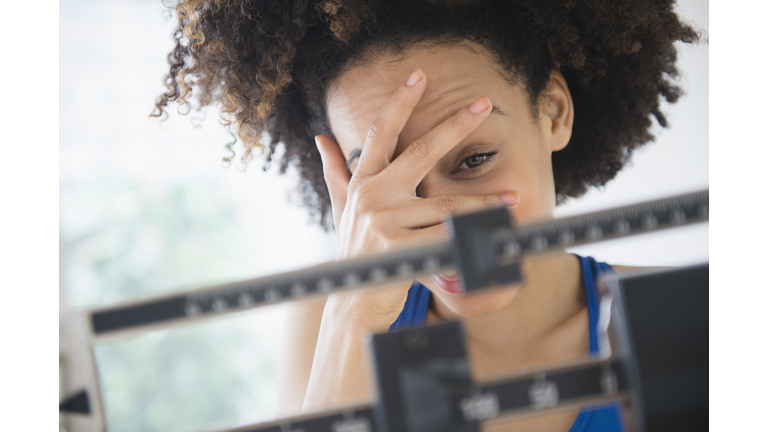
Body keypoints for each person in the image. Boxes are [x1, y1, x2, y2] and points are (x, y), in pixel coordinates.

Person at [153, 1, 701, 430]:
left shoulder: (684, 318)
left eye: (475, 160)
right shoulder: (329, 322)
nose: (440, 225)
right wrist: (354, 314)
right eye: (386, 181)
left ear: (553, 112)